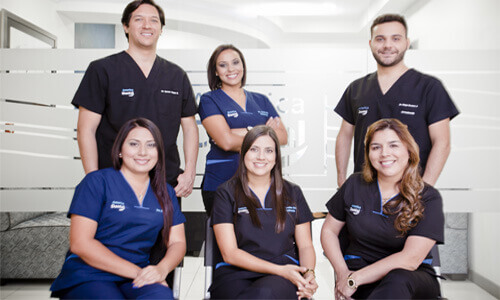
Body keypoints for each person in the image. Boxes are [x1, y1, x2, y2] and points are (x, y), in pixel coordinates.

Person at [73, 0, 198, 199]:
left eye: (154, 20)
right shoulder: (102, 70)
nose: (147, 26)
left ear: (161, 28)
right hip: (115, 181)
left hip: (165, 181)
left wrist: (190, 173)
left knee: (168, 231)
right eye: (139, 19)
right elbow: (86, 129)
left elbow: (190, 127)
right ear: (126, 26)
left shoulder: (176, 75)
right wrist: (94, 179)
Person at [50, 118, 186, 299]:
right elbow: (80, 243)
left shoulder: (165, 192)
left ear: (159, 153)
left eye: (151, 145)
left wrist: (161, 270)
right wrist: (138, 272)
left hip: (137, 277)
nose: (143, 152)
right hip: (90, 274)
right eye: (133, 144)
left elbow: (177, 242)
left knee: (160, 296)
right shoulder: (97, 182)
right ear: (120, 150)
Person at [321, 118, 444, 299]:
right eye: (376, 147)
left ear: (408, 151)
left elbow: (410, 259)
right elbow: (329, 230)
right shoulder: (355, 184)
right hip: (358, 275)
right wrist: (342, 274)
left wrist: (355, 279)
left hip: (410, 279)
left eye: (393, 146)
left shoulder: (428, 197)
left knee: (398, 279)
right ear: (369, 154)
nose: (384, 153)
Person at [335, 13, 459, 188]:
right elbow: (345, 135)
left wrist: (424, 189)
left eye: (395, 39)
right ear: (371, 44)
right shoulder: (356, 89)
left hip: (410, 193)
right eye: (380, 39)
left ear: (406, 43)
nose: (387, 45)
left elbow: (442, 142)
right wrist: (341, 181)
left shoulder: (429, 87)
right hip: (364, 194)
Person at [210, 125, 316, 299]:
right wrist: (281, 271)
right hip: (236, 272)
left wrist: (309, 274)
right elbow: (230, 253)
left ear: (276, 157)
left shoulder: (293, 192)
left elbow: (305, 245)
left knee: (265, 294)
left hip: (283, 273)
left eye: (268, 151)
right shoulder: (226, 192)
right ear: (243, 153)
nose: (261, 157)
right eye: (254, 150)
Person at [198, 44, 288, 215]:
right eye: (223, 65)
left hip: (259, 185)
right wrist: (262, 133)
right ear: (215, 71)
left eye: (235, 62)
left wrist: (242, 131)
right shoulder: (209, 100)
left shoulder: (261, 100)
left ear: (243, 66)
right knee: (223, 239)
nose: (231, 69)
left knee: (256, 239)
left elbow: (282, 137)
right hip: (220, 183)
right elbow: (226, 142)